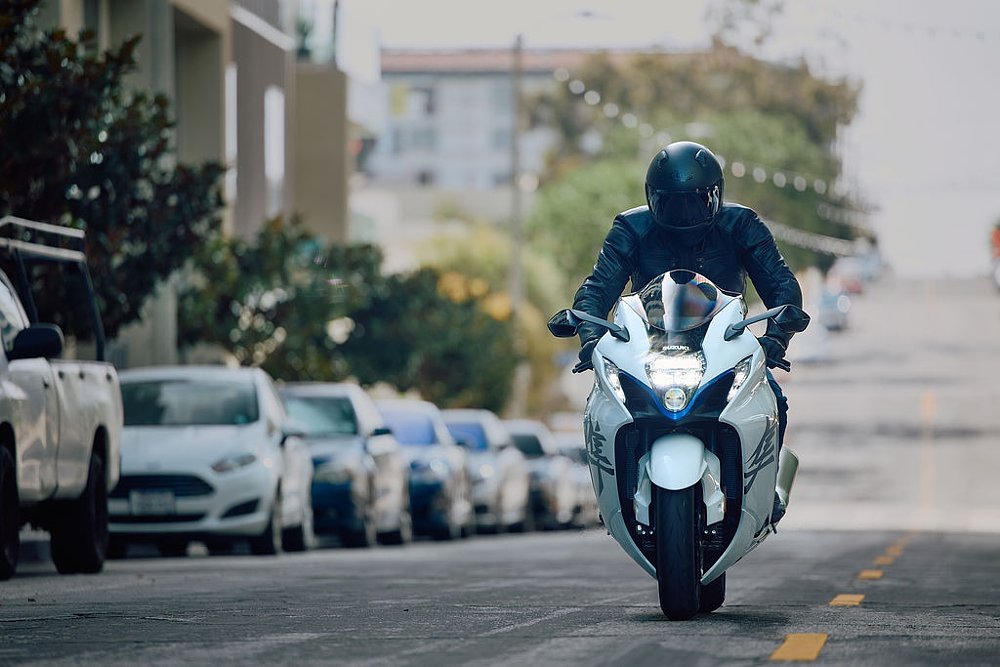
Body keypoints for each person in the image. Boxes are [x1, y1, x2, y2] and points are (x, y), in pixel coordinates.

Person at [571, 140, 804, 524]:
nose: (683, 213)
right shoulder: (630, 228)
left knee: (773, 400)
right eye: (671, 202)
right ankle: (614, 496)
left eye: (694, 201)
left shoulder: (741, 225)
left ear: (715, 196)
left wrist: (775, 338)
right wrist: (589, 336)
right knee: (607, 405)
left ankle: (766, 495)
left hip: (723, 347)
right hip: (650, 348)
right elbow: (597, 289)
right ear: (652, 198)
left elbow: (783, 288)